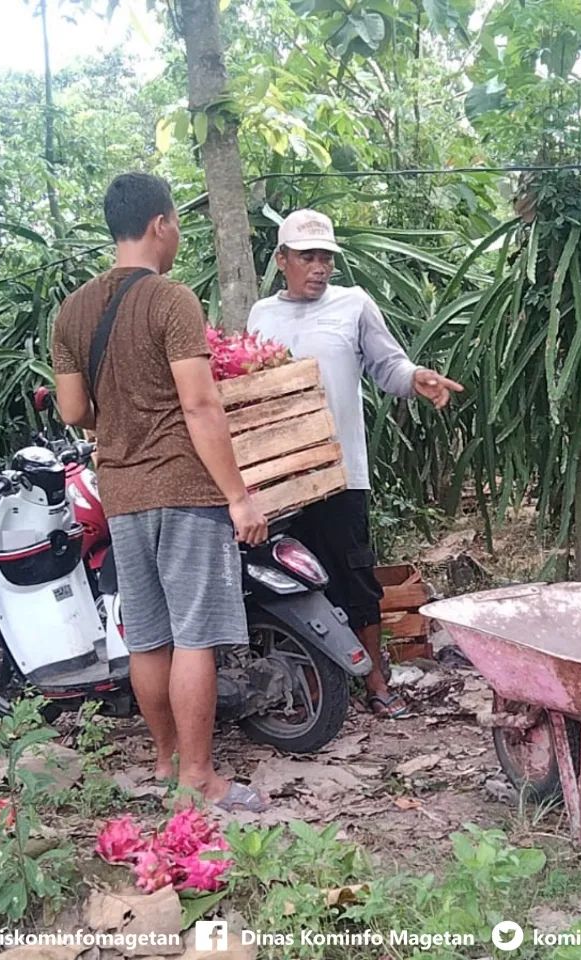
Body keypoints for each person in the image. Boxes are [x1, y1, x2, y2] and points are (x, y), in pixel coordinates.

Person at [51, 172, 269, 811]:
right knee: (195, 635)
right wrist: (238, 497)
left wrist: (121, 420)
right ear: (160, 224)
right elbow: (199, 404)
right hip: (184, 488)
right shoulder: (172, 300)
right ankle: (199, 779)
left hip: (121, 493)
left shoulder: (72, 311)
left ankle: (166, 759)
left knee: (149, 636)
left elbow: (72, 411)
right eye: (176, 224)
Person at [247, 209, 463, 719]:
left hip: (340, 474)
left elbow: (387, 365)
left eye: (326, 257)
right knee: (286, 578)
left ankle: (375, 681)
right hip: (278, 480)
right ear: (281, 260)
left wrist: (415, 377)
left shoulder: (354, 304)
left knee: (355, 576)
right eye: (307, 257)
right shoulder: (261, 315)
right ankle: (313, 686)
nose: (320, 267)